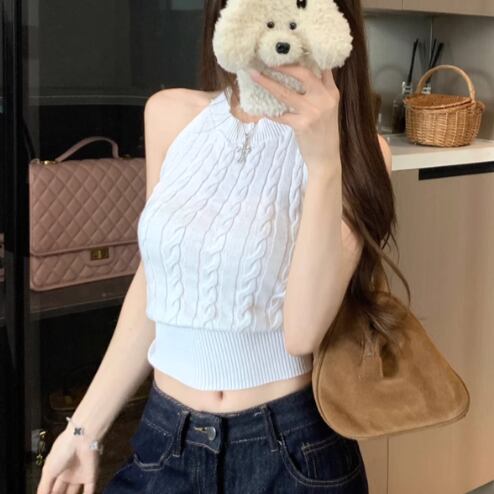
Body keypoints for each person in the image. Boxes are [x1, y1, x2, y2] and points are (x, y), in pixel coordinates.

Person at [36, 0, 394, 492]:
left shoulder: (360, 152)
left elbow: (302, 334)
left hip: (291, 450)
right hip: (166, 440)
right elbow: (157, 284)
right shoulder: (171, 114)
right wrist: (83, 429)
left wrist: (323, 160)